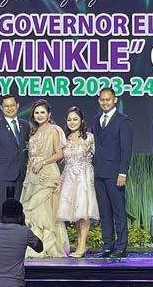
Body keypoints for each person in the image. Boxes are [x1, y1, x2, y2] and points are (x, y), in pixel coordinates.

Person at [20, 99, 69, 258]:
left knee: (44, 212)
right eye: (36, 113)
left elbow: (59, 153)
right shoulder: (34, 132)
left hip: (47, 173)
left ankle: (47, 247)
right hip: (33, 175)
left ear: (49, 114)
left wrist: (43, 162)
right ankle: (34, 245)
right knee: (32, 212)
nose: (39, 115)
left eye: (42, 112)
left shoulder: (54, 130)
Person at [92, 87, 133, 258]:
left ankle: (121, 247)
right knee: (104, 212)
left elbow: (126, 148)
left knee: (118, 211)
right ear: (99, 101)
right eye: (102, 100)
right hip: (99, 173)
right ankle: (108, 246)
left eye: (108, 99)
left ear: (115, 100)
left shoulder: (123, 121)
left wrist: (123, 173)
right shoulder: (96, 120)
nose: (105, 102)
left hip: (115, 174)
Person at [57, 107, 99, 257]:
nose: (72, 122)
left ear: (81, 120)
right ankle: (80, 244)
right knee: (75, 213)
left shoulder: (89, 137)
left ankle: (82, 246)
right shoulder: (64, 139)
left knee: (83, 212)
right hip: (69, 178)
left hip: (84, 178)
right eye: (69, 120)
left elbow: (98, 156)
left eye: (75, 119)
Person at [0, 94, 31, 223]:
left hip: (21, 176)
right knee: (0, 209)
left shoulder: (25, 125)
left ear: (17, 106)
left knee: (18, 211)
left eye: (12, 105)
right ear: (1, 108)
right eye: (6, 106)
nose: (9, 108)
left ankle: (15, 235)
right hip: (2, 176)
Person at [0, 199, 43, 287]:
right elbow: (40, 248)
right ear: (20, 216)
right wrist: (23, 224)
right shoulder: (25, 231)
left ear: (1, 214)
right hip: (15, 283)